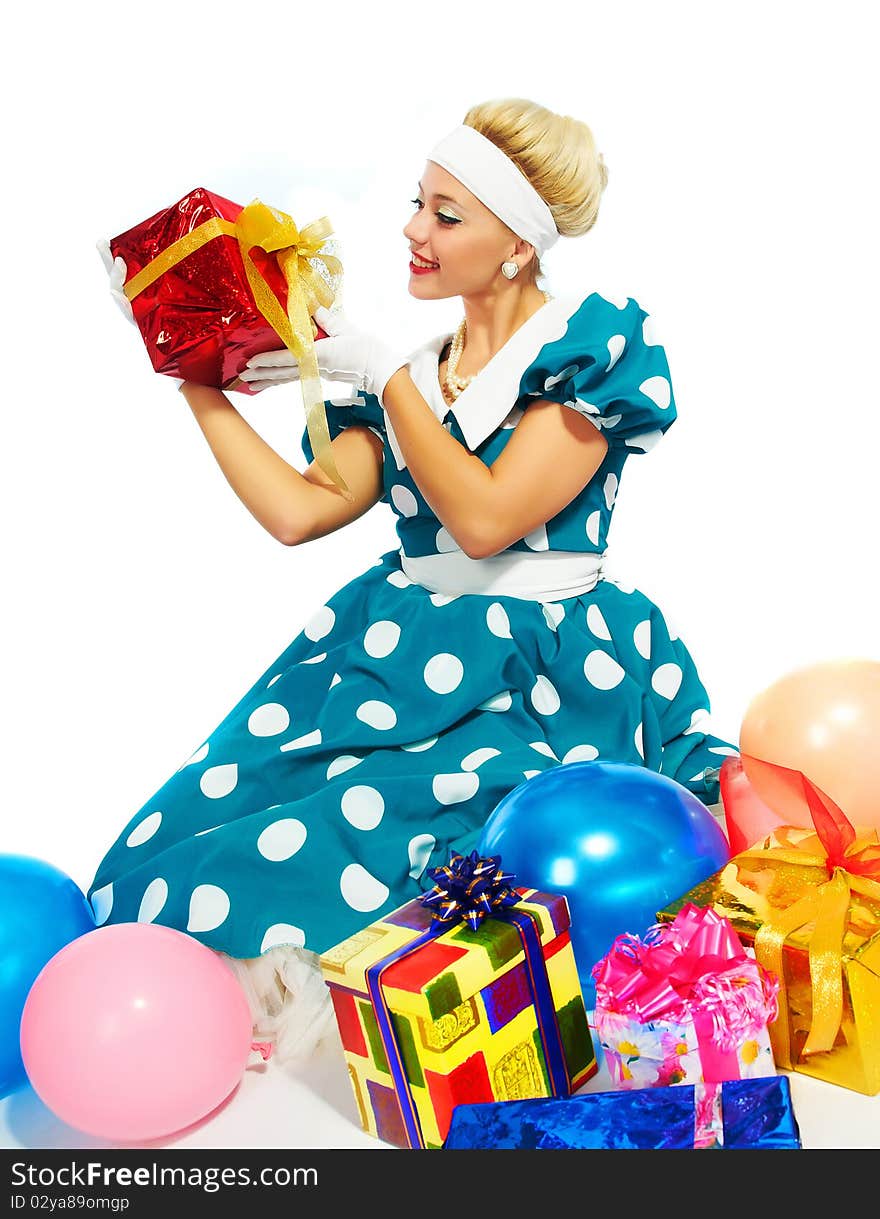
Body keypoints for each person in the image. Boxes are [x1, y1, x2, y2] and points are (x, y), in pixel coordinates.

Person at [92, 97, 736, 1064]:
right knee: (181, 837)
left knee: (467, 852)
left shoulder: (586, 354)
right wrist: (194, 376)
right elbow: (299, 511)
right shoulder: (407, 371)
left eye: (446, 214)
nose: (412, 231)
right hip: (397, 659)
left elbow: (484, 519)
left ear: (517, 245)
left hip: (541, 674)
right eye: (416, 203)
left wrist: (388, 375)